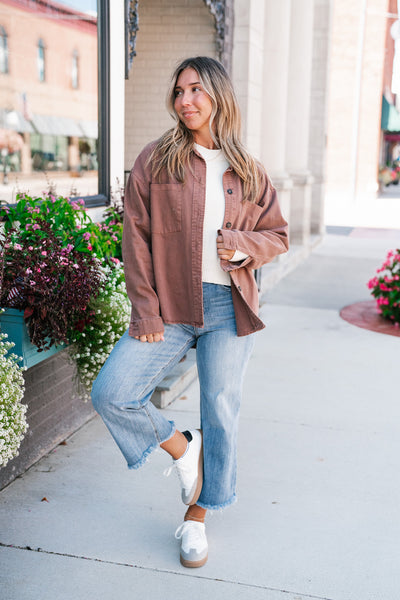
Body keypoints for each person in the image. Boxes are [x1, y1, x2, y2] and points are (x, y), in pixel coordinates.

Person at [91, 56, 289, 569]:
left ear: (219, 95)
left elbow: (277, 235)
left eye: (197, 89)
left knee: (221, 412)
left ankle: (197, 518)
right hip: (171, 306)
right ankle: (183, 448)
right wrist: (146, 310)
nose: (186, 100)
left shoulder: (248, 169)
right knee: (113, 392)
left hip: (229, 307)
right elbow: (134, 240)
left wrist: (243, 245)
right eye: (179, 91)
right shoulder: (156, 161)